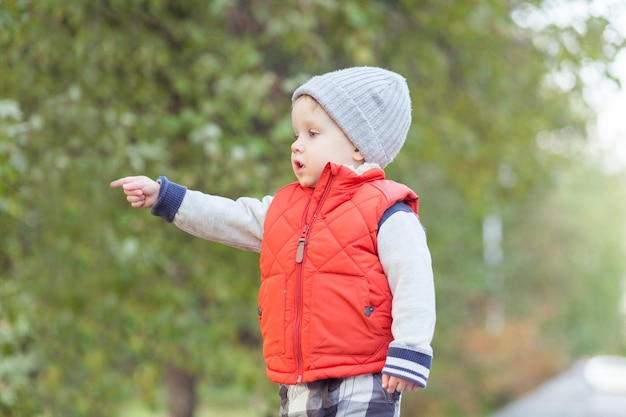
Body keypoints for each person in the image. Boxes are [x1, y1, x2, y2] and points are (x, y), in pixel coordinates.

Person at [111, 66, 436, 417]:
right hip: (298, 380)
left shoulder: (387, 210)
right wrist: (166, 196)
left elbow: (413, 279)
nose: (297, 145)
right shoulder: (284, 209)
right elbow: (230, 217)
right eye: (296, 134)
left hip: (363, 376)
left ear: (358, 146)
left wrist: (410, 349)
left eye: (313, 133)